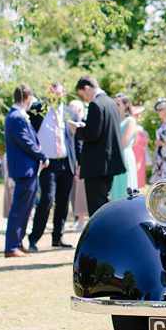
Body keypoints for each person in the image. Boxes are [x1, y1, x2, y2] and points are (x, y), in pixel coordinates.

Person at [26, 82, 77, 252]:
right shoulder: (37, 110)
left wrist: (78, 163)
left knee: (63, 202)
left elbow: (76, 141)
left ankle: (58, 238)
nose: (55, 96)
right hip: (47, 163)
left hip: (66, 162)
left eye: (58, 93)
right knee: (47, 199)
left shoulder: (71, 114)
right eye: (51, 93)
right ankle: (34, 239)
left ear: (64, 94)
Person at [69, 75, 125, 217]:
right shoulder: (112, 103)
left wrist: (77, 130)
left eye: (83, 94)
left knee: (97, 207)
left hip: (96, 165)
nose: (84, 99)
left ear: (86, 88)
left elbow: (93, 134)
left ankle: (101, 237)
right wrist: (86, 127)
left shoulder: (95, 104)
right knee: (105, 203)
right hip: (110, 162)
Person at [3, 84, 48, 258]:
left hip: (28, 169)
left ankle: (18, 243)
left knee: (26, 208)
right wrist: (43, 156)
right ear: (28, 99)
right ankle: (11, 246)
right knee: (19, 209)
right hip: (24, 169)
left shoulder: (19, 116)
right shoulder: (16, 117)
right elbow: (26, 142)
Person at [109, 94, 140, 199]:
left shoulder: (130, 120)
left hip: (125, 156)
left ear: (126, 105)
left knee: (126, 186)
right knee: (116, 188)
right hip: (115, 156)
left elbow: (124, 142)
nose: (115, 106)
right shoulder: (115, 120)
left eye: (118, 104)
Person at [67, 99, 88, 231]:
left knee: (81, 193)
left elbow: (80, 145)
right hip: (73, 162)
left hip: (81, 163)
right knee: (74, 194)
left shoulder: (83, 123)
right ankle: (78, 220)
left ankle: (81, 221)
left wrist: (79, 164)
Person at [130, 105, 149, 189]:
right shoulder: (131, 127)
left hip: (141, 157)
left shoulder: (141, 128)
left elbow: (145, 144)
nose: (139, 116)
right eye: (137, 114)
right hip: (133, 156)